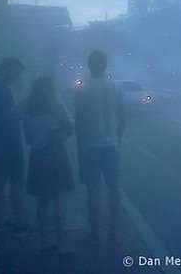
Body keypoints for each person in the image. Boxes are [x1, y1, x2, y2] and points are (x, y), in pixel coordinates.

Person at [75, 50, 125, 244]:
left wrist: (80, 146)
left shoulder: (83, 89)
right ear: (105, 65)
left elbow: (79, 121)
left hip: (90, 146)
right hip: (111, 145)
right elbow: (122, 116)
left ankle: (95, 231)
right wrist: (118, 139)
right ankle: (114, 230)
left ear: (89, 65)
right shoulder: (115, 87)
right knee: (114, 189)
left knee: (93, 191)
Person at [22, 77, 74, 255]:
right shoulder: (57, 109)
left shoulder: (28, 112)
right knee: (59, 202)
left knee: (42, 202)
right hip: (56, 157)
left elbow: (28, 139)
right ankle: (61, 244)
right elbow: (70, 129)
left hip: (37, 157)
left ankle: (43, 241)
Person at [0, 57, 31, 234]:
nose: (17, 77)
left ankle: (1, 221)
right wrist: (25, 105)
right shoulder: (0, 89)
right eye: (16, 72)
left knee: (1, 179)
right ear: (8, 69)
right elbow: (8, 115)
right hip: (6, 141)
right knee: (16, 180)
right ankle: (18, 222)